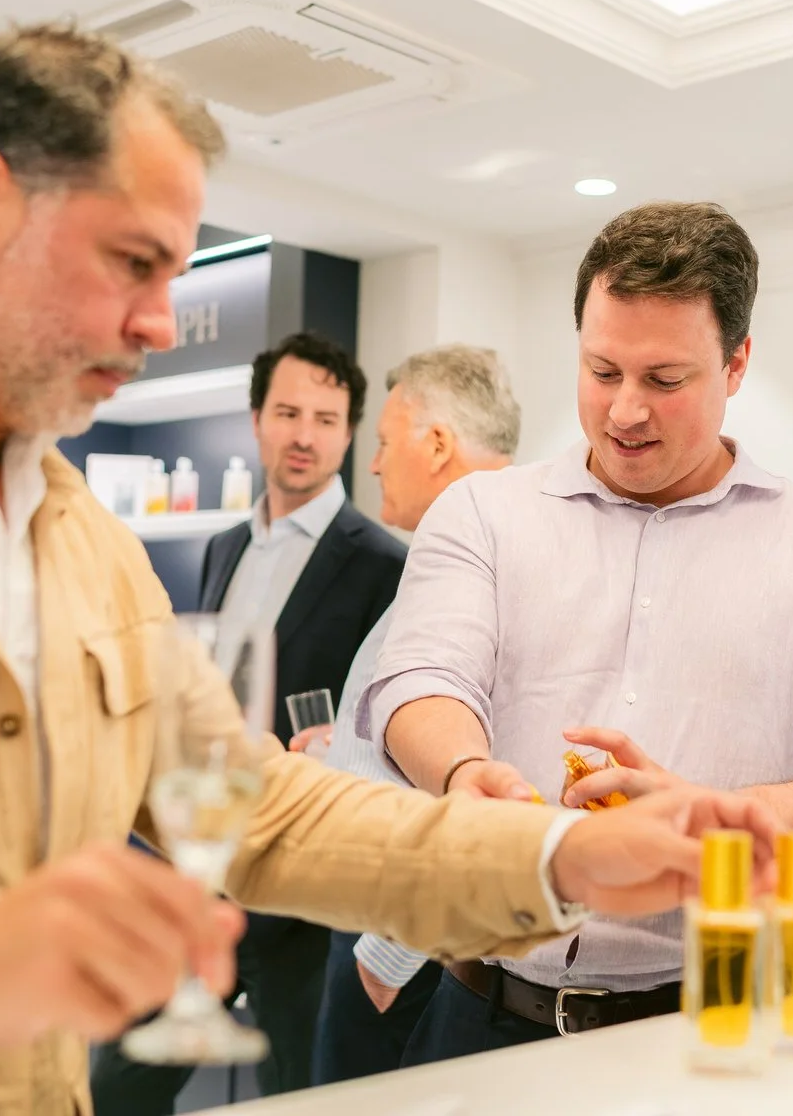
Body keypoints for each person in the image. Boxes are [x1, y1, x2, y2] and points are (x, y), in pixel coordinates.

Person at [0, 26, 778, 1116]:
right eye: (134, 262)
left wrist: (556, 854)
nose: (164, 322)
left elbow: (261, 810)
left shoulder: (82, 543)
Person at [367, 200, 793, 1065]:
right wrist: (460, 769)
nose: (625, 412)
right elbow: (419, 678)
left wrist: (718, 820)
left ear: (737, 362)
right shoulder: (483, 513)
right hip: (478, 1022)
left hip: (715, 1028)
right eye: (602, 371)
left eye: (665, 380)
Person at [91, 332, 404, 1110]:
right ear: (257, 417)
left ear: (349, 431)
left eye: (328, 419)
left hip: (298, 885)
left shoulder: (382, 563)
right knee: (120, 1083)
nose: (305, 434)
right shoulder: (223, 546)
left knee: (295, 1097)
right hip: (197, 873)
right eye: (289, 412)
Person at [309, 345, 520, 1086]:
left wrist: (389, 951)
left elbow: (483, 759)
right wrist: (340, 749)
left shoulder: (495, 560)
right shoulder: (451, 555)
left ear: (436, 445)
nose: (372, 466)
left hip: (398, 944)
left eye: (382, 442)